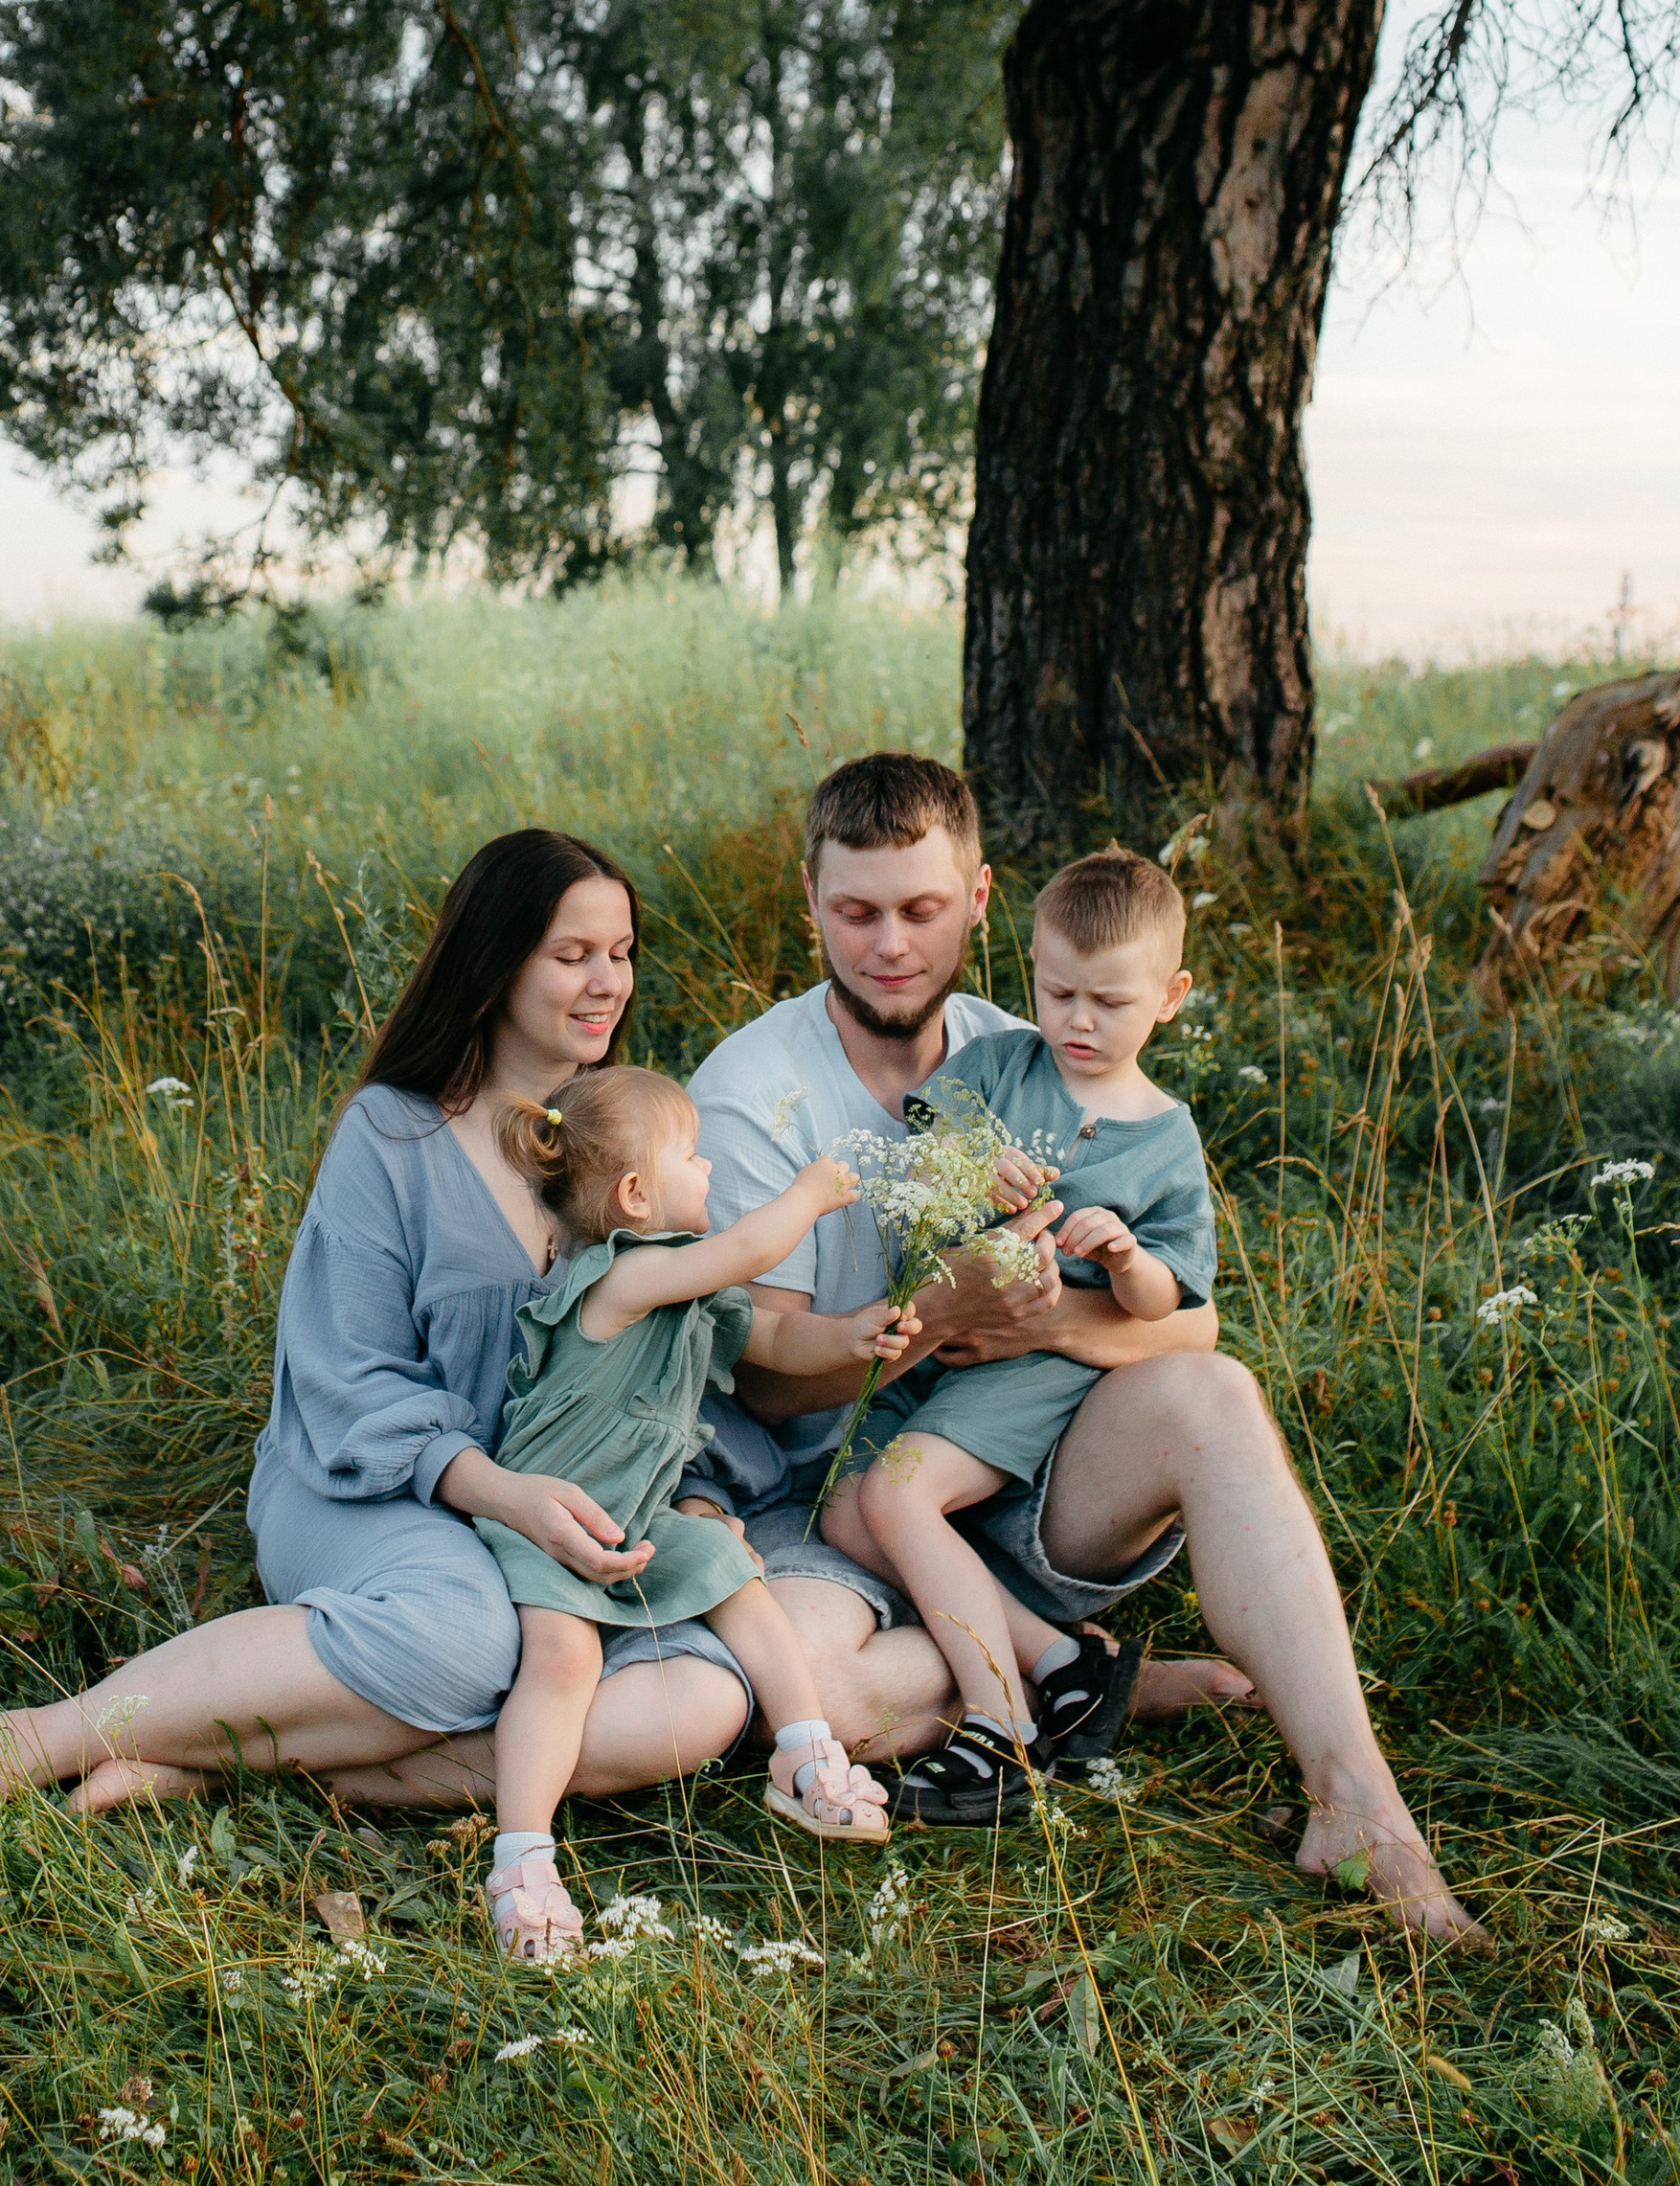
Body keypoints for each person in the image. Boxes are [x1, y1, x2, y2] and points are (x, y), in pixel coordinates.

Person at [683, 750, 1486, 1947]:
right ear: (809, 902)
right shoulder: (751, 1092)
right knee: (807, 1698)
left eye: (922, 909)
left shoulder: (1036, 1043)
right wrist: (939, 1321)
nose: (890, 945)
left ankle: (1357, 1804)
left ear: (980, 900)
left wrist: (1046, 1316)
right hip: (821, 1501)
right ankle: (1086, 1672)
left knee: (1212, 1394)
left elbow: (1189, 1321)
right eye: (854, 912)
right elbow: (762, 1376)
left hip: (1010, 1467)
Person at [0, 830, 763, 1851]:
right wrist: (500, 1493)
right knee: (465, 1641)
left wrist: (702, 1495)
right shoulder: (394, 1136)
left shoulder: (625, 1135)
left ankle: (231, 1760)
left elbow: (677, 1352)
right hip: (373, 1483)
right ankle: (21, 1743)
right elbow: (346, 1377)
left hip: (557, 1518)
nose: (606, 982)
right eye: (571, 954)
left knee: (694, 1710)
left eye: (621, 952)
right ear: (495, 965)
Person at [819, 846, 1215, 1825]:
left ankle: (1001, 1727)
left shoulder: (1165, 1138)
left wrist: (1123, 1260)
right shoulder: (999, 1066)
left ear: (1170, 997)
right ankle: (1059, 1656)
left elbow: (1170, 1298)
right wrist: (976, 1155)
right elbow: (924, 1143)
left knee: (902, 1497)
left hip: (1038, 1363)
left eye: (1110, 1003)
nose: (1079, 1021)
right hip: (947, 1348)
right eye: (1057, 991)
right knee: (845, 1516)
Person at [478, 1070, 902, 1954]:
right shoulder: (624, 1277)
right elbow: (745, 1252)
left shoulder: (689, 1288)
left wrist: (854, 1335)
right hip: (550, 1518)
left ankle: (805, 1751)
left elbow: (779, 1340)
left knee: (738, 1577)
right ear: (636, 1196)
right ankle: (521, 1856)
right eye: (693, 1155)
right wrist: (807, 1196)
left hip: (637, 1513)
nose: (709, 1166)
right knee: (562, 1660)